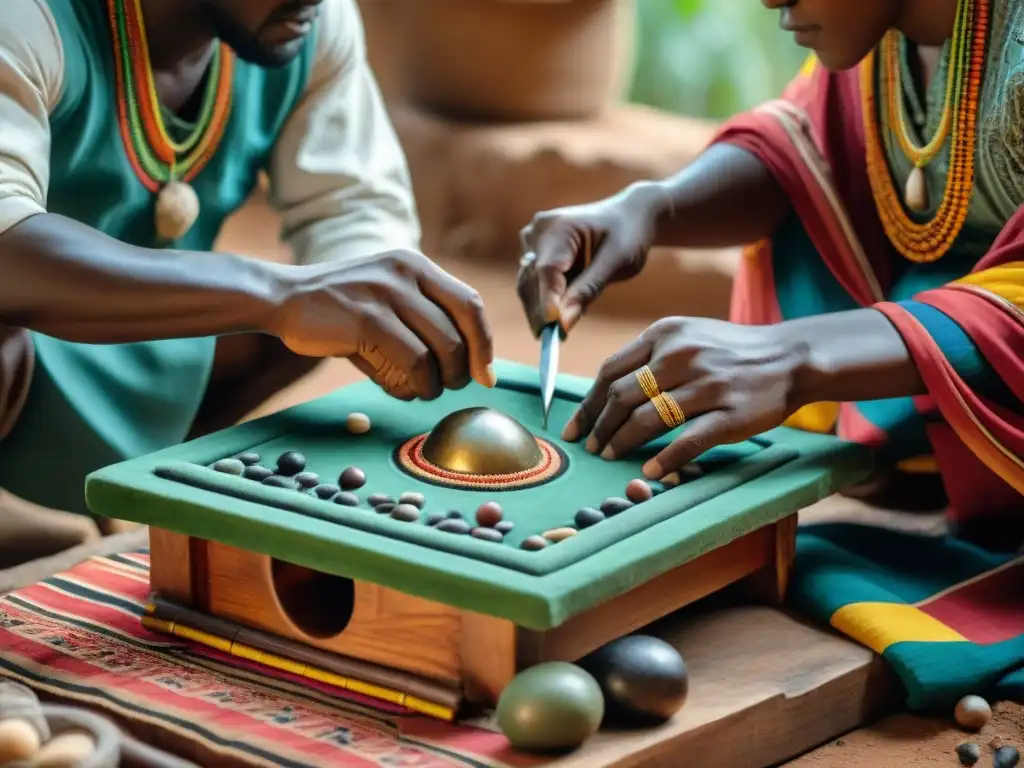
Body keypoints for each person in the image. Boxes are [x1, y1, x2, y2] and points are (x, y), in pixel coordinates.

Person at [518, 0, 1022, 547]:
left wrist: (792, 356)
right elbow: (810, 147)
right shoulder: (889, 30)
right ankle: (925, 455)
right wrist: (650, 208)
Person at [0, 0, 495, 527]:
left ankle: (121, 500)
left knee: (332, 316)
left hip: (133, 334)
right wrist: (278, 295)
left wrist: (383, 307)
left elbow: (355, 210)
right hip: (24, 331)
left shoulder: (311, 22)